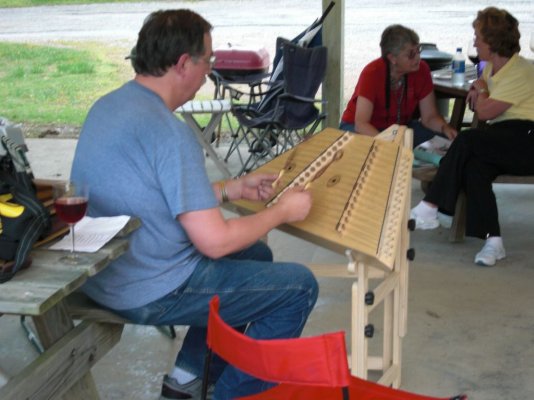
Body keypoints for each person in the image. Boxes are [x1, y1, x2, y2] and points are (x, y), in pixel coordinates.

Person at [71, 9, 318, 400]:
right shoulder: (170, 133)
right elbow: (215, 242)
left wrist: (232, 189)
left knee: (255, 256)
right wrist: (282, 212)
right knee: (299, 287)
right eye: (209, 61)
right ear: (184, 63)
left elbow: (154, 194)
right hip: (145, 289)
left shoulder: (110, 106)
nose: (210, 72)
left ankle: (187, 379)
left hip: (105, 274)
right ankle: (233, 395)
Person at [410, 7, 534, 266]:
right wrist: (479, 88)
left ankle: (433, 205)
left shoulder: (521, 70)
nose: (475, 41)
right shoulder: (491, 70)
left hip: (527, 138)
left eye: (478, 36)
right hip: (503, 140)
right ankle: (493, 242)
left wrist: (480, 93)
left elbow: (485, 110)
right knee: (475, 168)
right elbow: (481, 107)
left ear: (492, 41)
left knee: (467, 140)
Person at [340, 24, 457, 148]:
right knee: (372, 151)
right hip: (361, 128)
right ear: (392, 58)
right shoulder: (372, 73)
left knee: (442, 138)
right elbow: (361, 124)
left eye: (418, 50)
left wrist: (444, 128)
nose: (418, 58)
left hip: (398, 129)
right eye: (411, 54)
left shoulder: (422, 69)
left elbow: (429, 117)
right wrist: (388, 144)